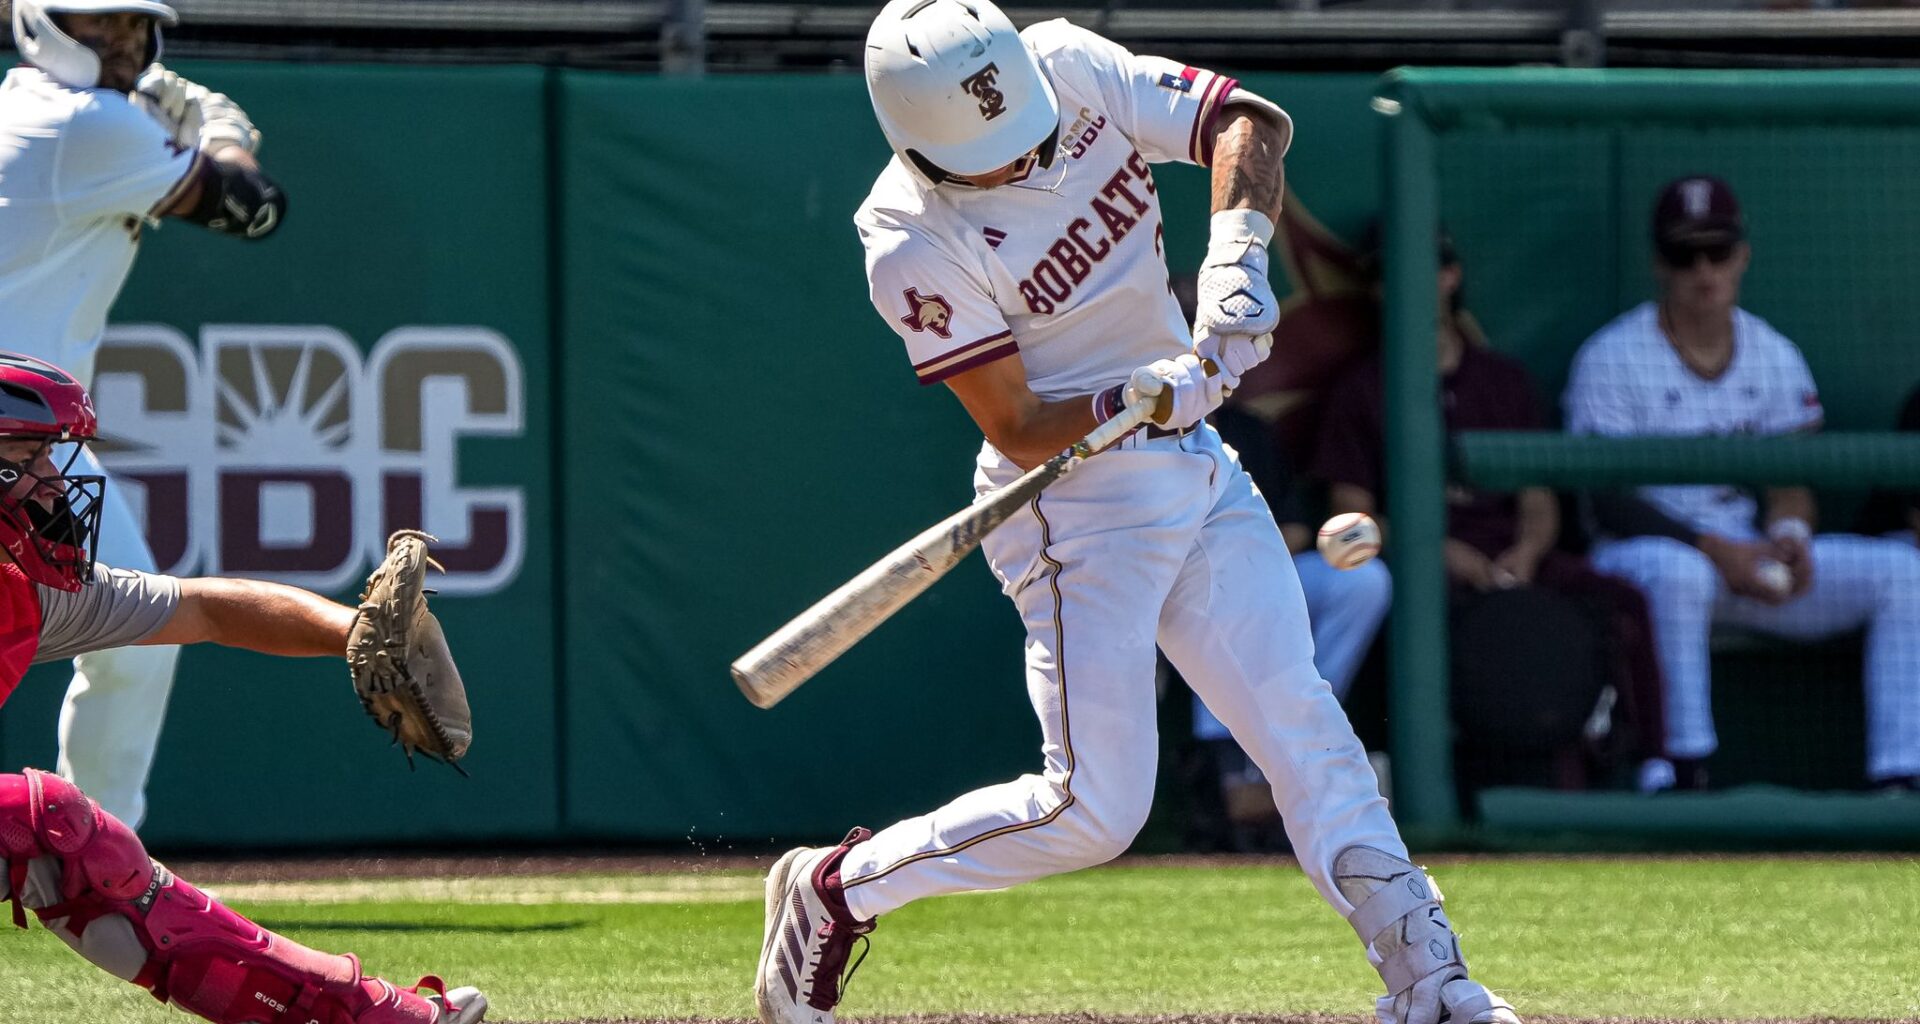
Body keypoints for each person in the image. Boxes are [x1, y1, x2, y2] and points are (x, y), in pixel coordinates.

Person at [752, 5, 1521, 1024]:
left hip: (1195, 464)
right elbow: (1019, 420)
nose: (1023, 154)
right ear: (920, 144)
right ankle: (836, 889)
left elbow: (1250, 124)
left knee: (1304, 725)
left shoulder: (1066, 64)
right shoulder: (905, 236)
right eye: (990, 152)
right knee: (1093, 811)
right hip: (1074, 508)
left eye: (1025, 125)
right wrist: (1128, 398)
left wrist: (1238, 259)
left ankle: (1431, 978)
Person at [0, 351, 485, 1023]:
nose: (55, 483)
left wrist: (358, 632)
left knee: (55, 836)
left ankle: (354, 1014)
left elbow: (206, 610)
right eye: (29, 458)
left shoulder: (26, 593)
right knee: (37, 818)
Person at [0, 0, 287, 829]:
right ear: (42, 22)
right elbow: (254, 207)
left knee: (139, 635)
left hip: (34, 441)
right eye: (101, 24)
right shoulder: (86, 121)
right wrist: (222, 131)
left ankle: (92, 855)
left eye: (134, 26)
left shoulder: (55, 108)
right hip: (13, 438)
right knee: (134, 629)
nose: (123, 43)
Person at [1564, 174, 1920, 793]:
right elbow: (1607, 500)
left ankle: (1900, 773)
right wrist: (1715, 549)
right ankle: (1681, 767)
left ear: (1743, 255)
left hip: (1746, 559)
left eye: (1718, 251)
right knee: (1682, 575)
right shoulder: (1613, 355)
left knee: (1903, 570)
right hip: (1645, 560)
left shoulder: (1772, 354)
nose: (1704, 270)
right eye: (1684, 254)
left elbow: (1790, 486)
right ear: (1658, 263)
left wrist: (1788, 537)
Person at [1314, 235, 1668, 787]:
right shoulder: (1361, 388)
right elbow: (1346, 525)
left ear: (1450, 276)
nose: (1401, 286)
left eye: (1419, 270)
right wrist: (1433, 550)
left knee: (1623, 601)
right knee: (1377, 595)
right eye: (1387, 277)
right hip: (1420, 569)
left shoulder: (1502, 380)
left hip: (1509, 555)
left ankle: (1655, 765)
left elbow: (1538, 498)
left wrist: (1526, 552)